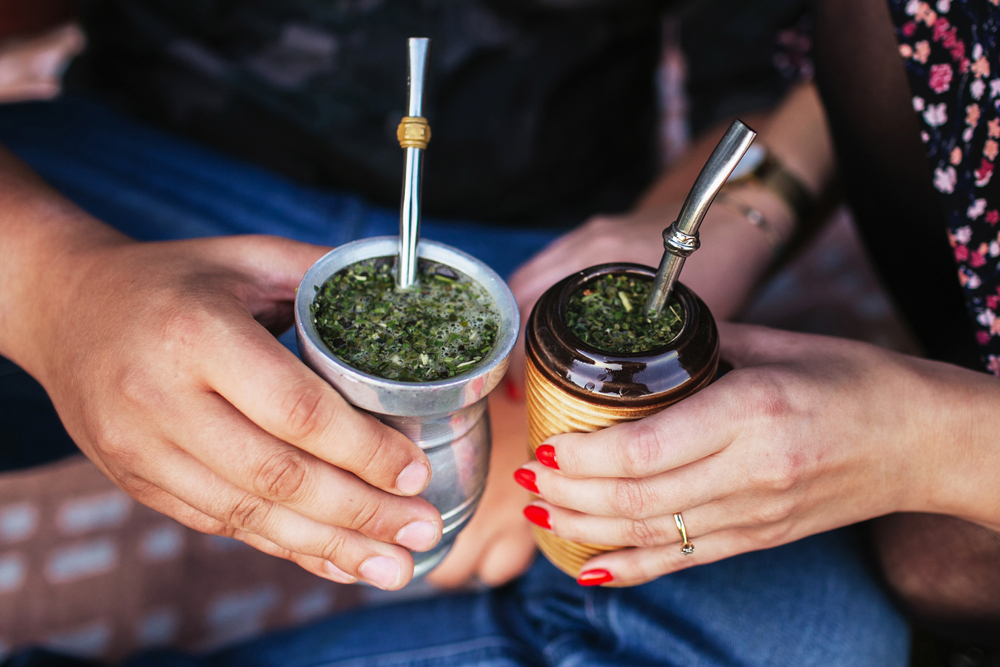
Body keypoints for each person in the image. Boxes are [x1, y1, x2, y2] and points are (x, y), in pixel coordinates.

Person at [1, 0, 997, 665]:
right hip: (130, 174)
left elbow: (773, 71)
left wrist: (930, 441)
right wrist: (51, 287)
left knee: (806, 624)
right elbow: (826, 71)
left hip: (519, 247)